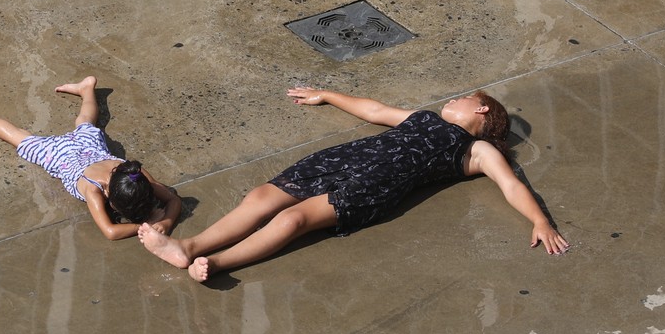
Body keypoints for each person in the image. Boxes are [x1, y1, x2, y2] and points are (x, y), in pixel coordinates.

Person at [138, 86, 569, 282]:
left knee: (292, 220)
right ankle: (189, 246)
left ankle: (218, 263)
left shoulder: (476, 151)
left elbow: (511, 186)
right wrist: (328, 94)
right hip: (342, 159)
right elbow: (375, 110)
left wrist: (539, 220)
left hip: (375, 185)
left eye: (466, 99)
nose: (454, 99)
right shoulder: (424, 118)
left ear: (481, 114)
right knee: (261, 197)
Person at [0, 75, 181, 240]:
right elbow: (111, 232)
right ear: (108, 196)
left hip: (90, 150)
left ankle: (87, 88)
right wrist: (148, 224)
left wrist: (167, 221)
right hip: (59, 156)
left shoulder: (133, 172)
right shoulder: (94, 191)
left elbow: (173, 199)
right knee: (19, 137)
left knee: (85, 122)